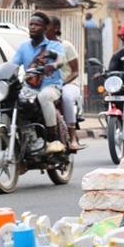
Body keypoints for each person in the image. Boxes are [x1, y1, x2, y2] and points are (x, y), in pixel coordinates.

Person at [12, 12, 66, 154]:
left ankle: (52, 139)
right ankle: (26, 135)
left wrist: (53, 65)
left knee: (44, 97)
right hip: (30, 87)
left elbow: (60, 60)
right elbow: (13, 65)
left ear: (46, 28)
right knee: (15, 100)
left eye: (37, 25)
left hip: (51, 86)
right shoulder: (23, 47)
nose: (33, 27)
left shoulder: (54, 45)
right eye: (31, 24)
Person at [45, 15, 82, 151]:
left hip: (69, 85)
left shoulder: (66, 46)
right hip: (48, 85)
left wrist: (63, 83)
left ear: (56, 29)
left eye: (47, 26)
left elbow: (75, 71)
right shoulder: (40, 47)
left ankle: (72, 137)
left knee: (65, 96)